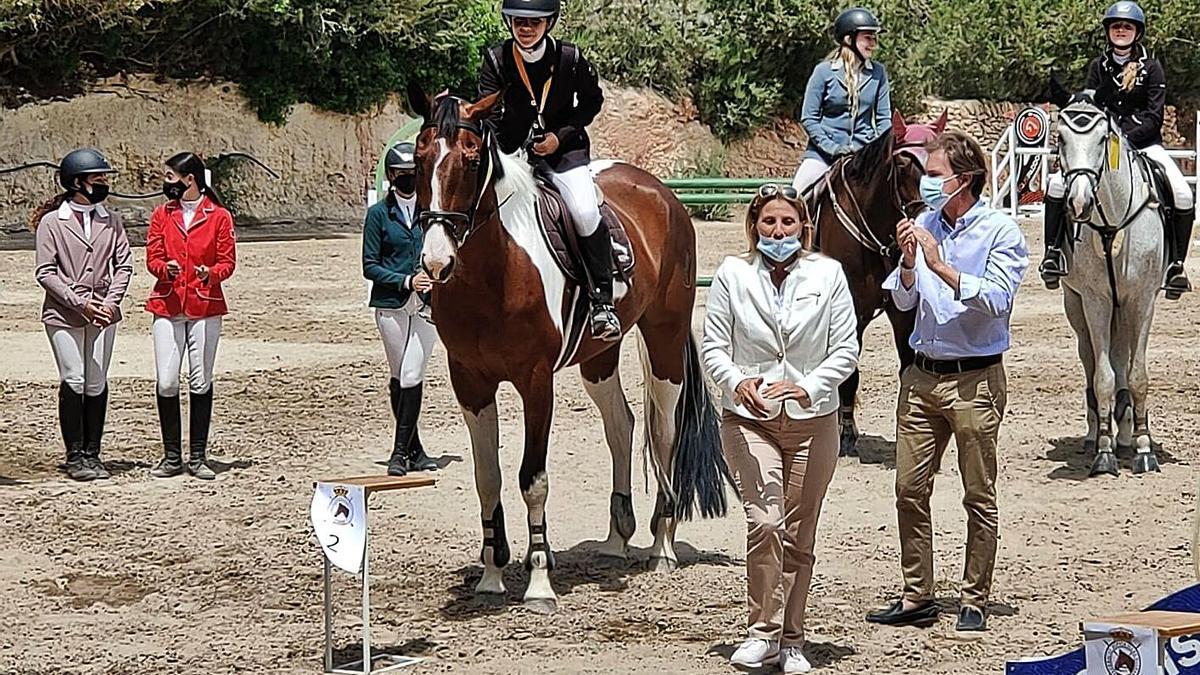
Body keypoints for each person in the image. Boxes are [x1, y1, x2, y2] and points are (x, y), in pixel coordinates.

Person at [867, 130, 1027, 632]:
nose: (927, 185)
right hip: (920, 375)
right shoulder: (922, 223)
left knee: (978, 493)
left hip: (974, 378)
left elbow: (999, 301)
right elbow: (904, 300)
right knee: (908, 489)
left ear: (966, 179)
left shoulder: (1001, 230)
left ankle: (975, 595)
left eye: (935, 176)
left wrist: (940, 264)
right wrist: (911, 265)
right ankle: (918, 595)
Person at [702, 185, 859, 674]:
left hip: (814, 421)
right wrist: (736, 380)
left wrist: (809, 386)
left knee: (799, 532)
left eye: (787, 222)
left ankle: (792, 638)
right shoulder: (733, 274)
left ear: (803, 227)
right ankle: (761, 629)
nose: (777, 231)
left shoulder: (828, 274)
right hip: (750, 419)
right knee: (765, 521)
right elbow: (713, 347)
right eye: (768, 222)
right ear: (754, 227)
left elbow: (846, 349)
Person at [478, 0, 620, 342]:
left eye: (535, 22)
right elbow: (489, 109)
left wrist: (560, 137)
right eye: (519, 21)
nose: (526, 28)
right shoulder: (496, 59)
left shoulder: (570, 58)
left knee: (585, 211)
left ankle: (602, 301)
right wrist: (507, 150)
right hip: (511, 156)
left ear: (549, 23)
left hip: (564, 155)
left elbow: (591, 102)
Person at [1040, 1, 1193, 298]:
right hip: (1101, 146)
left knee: (1183, 193)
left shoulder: (1152, 68)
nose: (1121, 31)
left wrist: (1124, 141)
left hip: (1144, 145)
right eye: (1116, 27)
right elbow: (1088, 107)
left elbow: (1154, 116)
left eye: (1127, 27)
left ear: (1137, 32)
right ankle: (1053, 253)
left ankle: (1175, 265)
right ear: (1108, 32)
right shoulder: (1099, 67)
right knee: (1058, 185)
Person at [32, 147, 133, 481]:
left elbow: (124, 264)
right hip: (64, 312)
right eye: (97, 178)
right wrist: (79, 302)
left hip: (104, 311)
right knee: (74, 377)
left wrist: (110, 302)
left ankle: (93, 452)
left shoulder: (112, 220)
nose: (103, 183)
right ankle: (75, 454)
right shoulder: (52, 223)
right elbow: (46, 272)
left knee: (96, 380)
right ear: (77, 182)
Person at [145, 152, 235, 481]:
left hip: (205, 304)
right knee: (167, 380)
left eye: (170, 177)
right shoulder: (161, 215)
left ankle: (197, 456)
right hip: (168, 303)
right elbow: (152, 256)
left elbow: (228, 262)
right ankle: (171, 455)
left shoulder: (219, 217)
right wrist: (163, 269)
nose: (165, 183)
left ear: (190, 180)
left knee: (200, 379)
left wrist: (209, 273)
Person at [362, 142, 439, 477]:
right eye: (401, 174)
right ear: (391, 176)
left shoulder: (431, 210)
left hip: (428, 307)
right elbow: (370, 265)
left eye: (412, 173)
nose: (407, 179)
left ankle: (398, 452)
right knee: (398, 377)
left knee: (411, 374)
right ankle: (415, 448)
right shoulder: (378, 214)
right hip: (392, 303)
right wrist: (407, 281)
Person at [792, 7, 893, 194]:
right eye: (868, 38)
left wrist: (880, 149)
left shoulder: (879, 73)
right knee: (797, 194)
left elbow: (884, 118)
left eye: (874, 38)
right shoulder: (823, 72)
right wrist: (832, 148)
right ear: (849, 39)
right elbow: (809, 117)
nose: (874, 44)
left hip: (865, 153)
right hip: (823, 154)